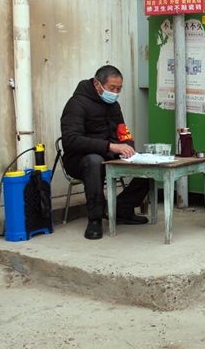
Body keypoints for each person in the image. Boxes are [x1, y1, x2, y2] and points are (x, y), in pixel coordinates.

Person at [61, 65, 149, 240]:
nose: (115, 93)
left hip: (109, 155)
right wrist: (110, 146)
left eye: (119, 89)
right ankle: (95, 220)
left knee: (148, 163)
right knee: (94, 161)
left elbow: (123, 132)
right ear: (97, 84)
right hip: (80, 160)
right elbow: (71, 140)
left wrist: (128, 147)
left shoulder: (114, 106)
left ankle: (121, 208)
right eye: (112, 88)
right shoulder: (76, 104)